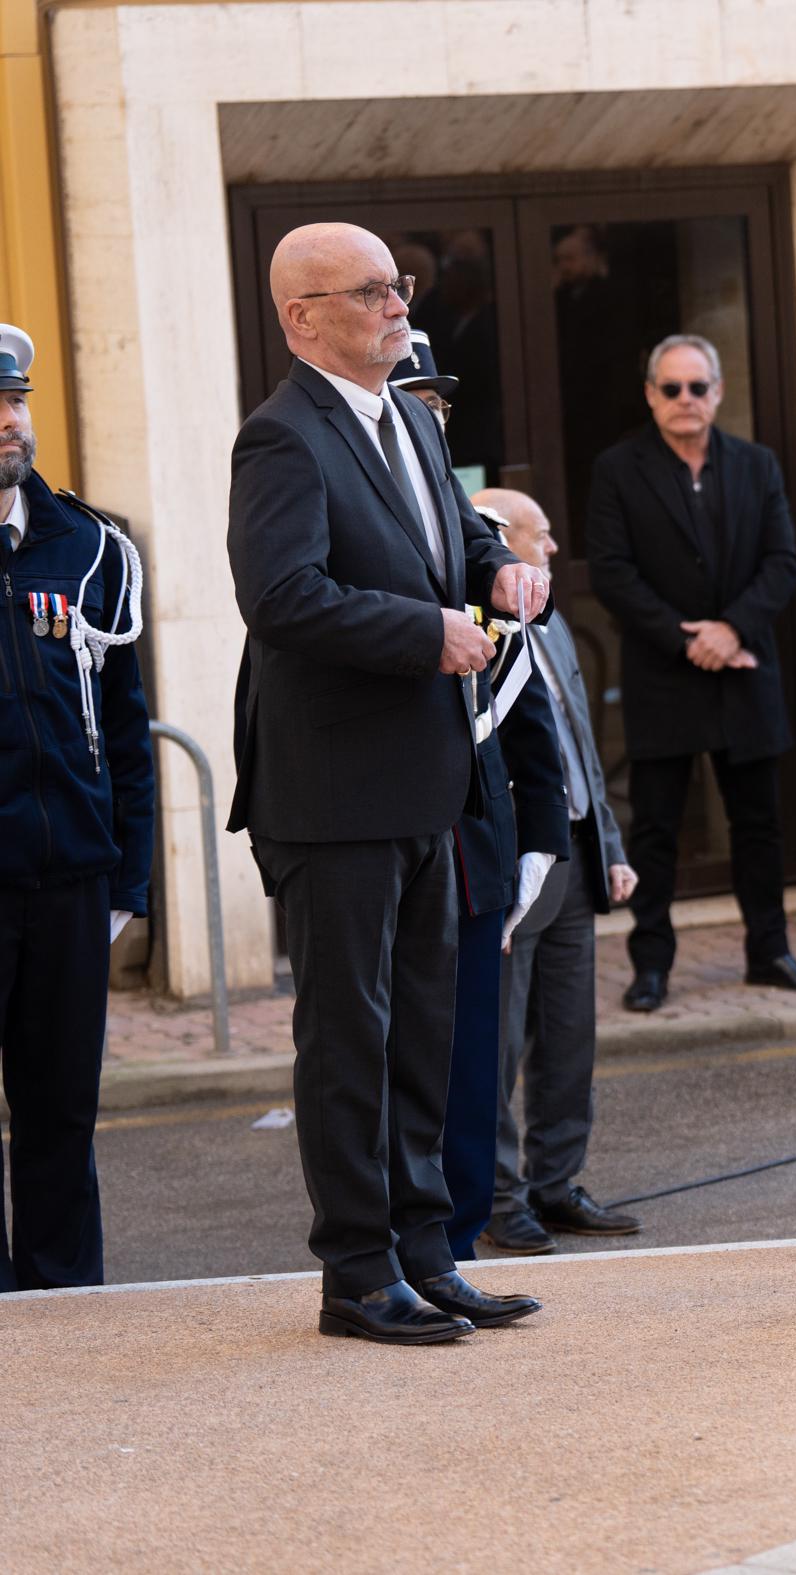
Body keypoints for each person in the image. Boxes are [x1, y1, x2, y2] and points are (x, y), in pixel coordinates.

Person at [227, 222, 546, 1343]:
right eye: (368, 292)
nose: (396, 304)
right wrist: (429, 635)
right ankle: (357, 1275)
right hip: (333, 792)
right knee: (349, 1040)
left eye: (397, 285)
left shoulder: (407, 413)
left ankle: (426, 1252)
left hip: (425, 780)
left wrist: (498, 567)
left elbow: (452, 539)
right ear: (301, 317)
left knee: (421, 1031)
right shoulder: (279, 441)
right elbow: (283, 598)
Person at [388, 335, 571, 1268]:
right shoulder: (369, 527)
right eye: (413, 398)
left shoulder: (477, 545)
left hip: (475, 855)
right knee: (395, 1064)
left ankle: (454, 1240)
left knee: (469, 1071)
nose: (431, 416)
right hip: (391, 838)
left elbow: (529, 721)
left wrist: (533, 854)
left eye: (440, 405)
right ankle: (399, 1240)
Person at [586, 332, 796, 1013]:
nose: (685, 400)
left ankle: (769, 952)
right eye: (671, 388)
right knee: (657, 827)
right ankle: (651, 965)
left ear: (718, 392)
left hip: (744, 667)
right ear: (650, 395)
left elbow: (783, 560)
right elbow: (610, 570)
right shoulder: (618, 468)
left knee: (759, 824)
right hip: (665, 672)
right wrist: (685, 638)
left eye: (698, 387)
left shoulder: (756, 465)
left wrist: (731, 630)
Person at [0, 325, 154, 1292]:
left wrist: (127, 881)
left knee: (62, 1114)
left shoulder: (91, 547)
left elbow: (130, 733)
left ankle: (66, 1311)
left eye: (12, 404)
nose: (6, 424)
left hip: (68, 886)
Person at [476, 488, 645, 1254]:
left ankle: (557, 1180)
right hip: (516, 864)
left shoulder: (556, 626)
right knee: (500, 1041)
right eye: (541, 537)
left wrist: (610, 845)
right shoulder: (479, 626)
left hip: (574, 852)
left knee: (570, 1034)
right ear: (503, 541)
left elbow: (582, 741)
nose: (551, 549)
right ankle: (499, 1194)